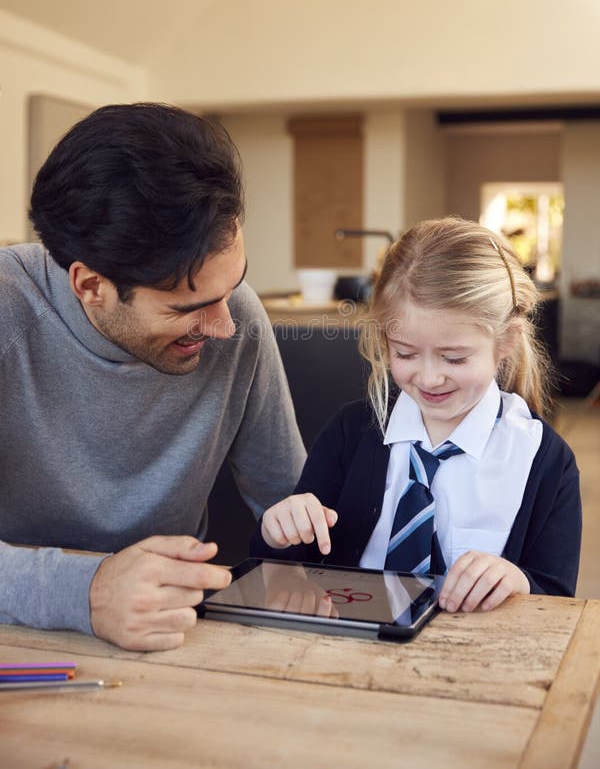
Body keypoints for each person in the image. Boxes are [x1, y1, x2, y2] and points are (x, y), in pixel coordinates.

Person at [0, 103, 305, 650]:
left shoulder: (239, 320)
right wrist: (89, 591)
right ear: (90, 285)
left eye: (233, 286)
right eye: (188, 307)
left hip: (173, 637)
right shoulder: (7, 313)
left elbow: (294, 503)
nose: (225, 326)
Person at [252, 216, 582, 611]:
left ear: (506, 341)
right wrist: (278, 532)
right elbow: (287, 567)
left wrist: (518, 582)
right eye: (405, 353)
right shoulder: (350, 432)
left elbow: (558, 602)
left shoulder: (546, 461)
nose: (429, 377)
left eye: (454, 358)